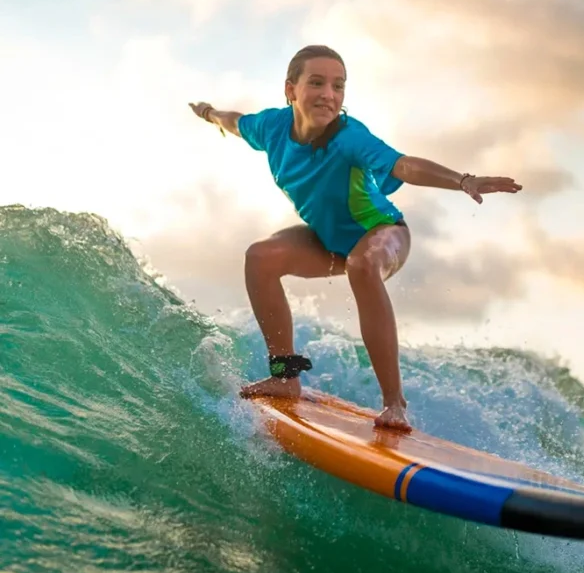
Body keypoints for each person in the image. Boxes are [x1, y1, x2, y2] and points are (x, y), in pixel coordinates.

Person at [188, 45, 522, 431]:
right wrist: (210, 114)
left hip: (384, 233)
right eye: (317, 83)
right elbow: (237, 121)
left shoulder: (349, 137)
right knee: (260, 257)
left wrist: (463, 181)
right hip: (329, 241)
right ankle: (284, 376)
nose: (329, 94)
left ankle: (395, 403)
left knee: (362, 264)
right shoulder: (271, 127)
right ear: (290, 89)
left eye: (338, 86)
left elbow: (404, 165)